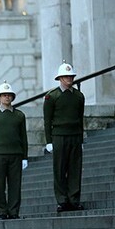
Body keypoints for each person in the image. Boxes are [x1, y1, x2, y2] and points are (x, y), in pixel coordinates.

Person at [44, 62, 85, 212]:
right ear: (60, 78)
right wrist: (49, 141)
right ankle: (62, 200)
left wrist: (80, 139)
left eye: (71, 76)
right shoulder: (52, 96)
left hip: (74, 135)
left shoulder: (79, 96)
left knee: (75, 169)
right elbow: (47, 120)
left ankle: (74, 199)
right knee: (60, 169)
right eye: (66, 76)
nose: (69, 79)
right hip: (59, 136)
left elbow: (80, 119)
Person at [0, 82, 28, 220]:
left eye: (9, 95)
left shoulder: (19, 115)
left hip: (16, 153)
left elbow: (23, 137)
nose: (7, 97)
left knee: (15, 184)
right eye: (4, 95)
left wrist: (25, 157)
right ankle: (2, 210)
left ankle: (14, 210)